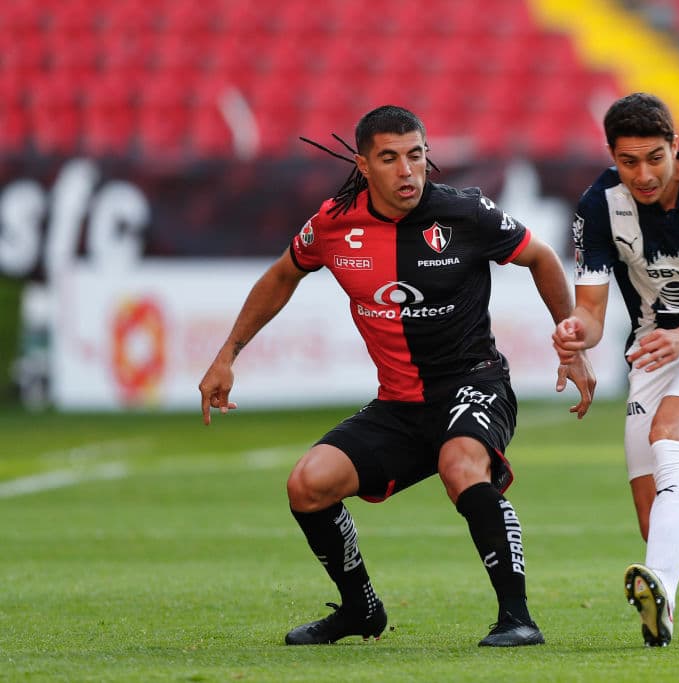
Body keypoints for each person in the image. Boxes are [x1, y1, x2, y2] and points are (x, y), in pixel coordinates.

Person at [199, 105, 593, 647]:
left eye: (416, 155)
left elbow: (544, 258)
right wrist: (228, 354)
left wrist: (569, 344)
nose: (408, 171)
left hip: (474, 384)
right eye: (390, 158)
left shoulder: (465, 213)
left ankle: (517, 618)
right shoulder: (335, 224)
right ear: (363, 164)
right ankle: (361, 611)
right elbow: (283, 274)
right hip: (400, 405)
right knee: (307, 485)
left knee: (461, 466)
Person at [552, 93, 679, 646]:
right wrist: (576, 333)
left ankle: (661, 594)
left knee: (671, 435)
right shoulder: (598, 207)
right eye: (628, 161)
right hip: (652, 350)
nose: (642, 174)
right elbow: (592, 313)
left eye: (654, 158)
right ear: (612, 158)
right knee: (658, 526)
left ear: (676, 147)